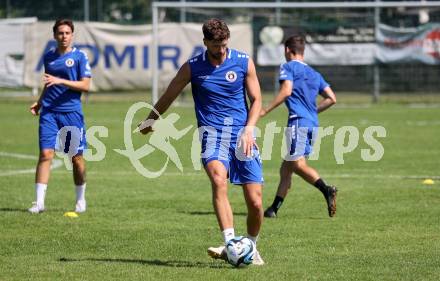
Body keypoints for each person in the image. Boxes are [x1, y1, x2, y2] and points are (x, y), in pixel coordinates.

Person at [139, 18, 265, 265]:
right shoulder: (192, 67)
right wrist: (149, 121)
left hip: (242, 136)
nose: (221, 50)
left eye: (224, 44)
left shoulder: (242, 61)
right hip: (212, 136)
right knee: (219, 180)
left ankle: (251, 245)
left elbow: (257, 99)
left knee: (256, 201)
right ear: (205, 42)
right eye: (215, 45)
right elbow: (169, 95)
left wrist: (249, 129)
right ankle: (230, 243)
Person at [260, 34, 337, 218]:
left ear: (287, 50)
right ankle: (273, 210)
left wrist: (265, 110)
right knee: (286, 168)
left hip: (297, 121)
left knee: (297, 164)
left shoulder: (288, 67)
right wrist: (312, 112)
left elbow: (286, 91)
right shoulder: (314, 74)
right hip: (312, 123)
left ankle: (326, 189)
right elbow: (332, 98)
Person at [28, 19, 92, 214]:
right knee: (46, 154)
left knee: (76, 159)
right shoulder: (49, 57)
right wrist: (40, 102)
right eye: (60, 33)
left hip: (71, 113)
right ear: (54, 35)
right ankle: (39, 203)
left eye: (67, 33)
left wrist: (61, 80)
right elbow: (49, 83)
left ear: (72, 35)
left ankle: (80, 199)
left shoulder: (80, 57)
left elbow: (85, 86)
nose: (64, 36)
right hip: (49, 112)